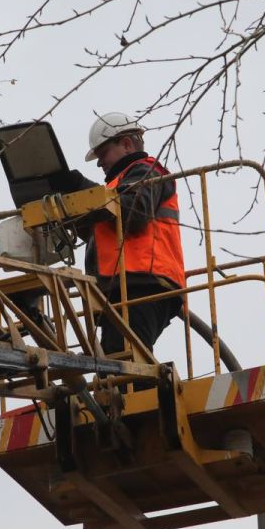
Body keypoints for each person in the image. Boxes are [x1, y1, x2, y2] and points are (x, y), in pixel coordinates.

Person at [49, 112, 185, 355]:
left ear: (126, 144)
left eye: (102, 154)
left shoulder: (147, 171)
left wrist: (79, 186)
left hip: (145, 283)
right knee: (116, 367)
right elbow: (102, 233)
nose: (100, 163)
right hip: (122, 287)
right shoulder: (115, 187)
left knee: (126, 366)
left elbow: (134, 213)